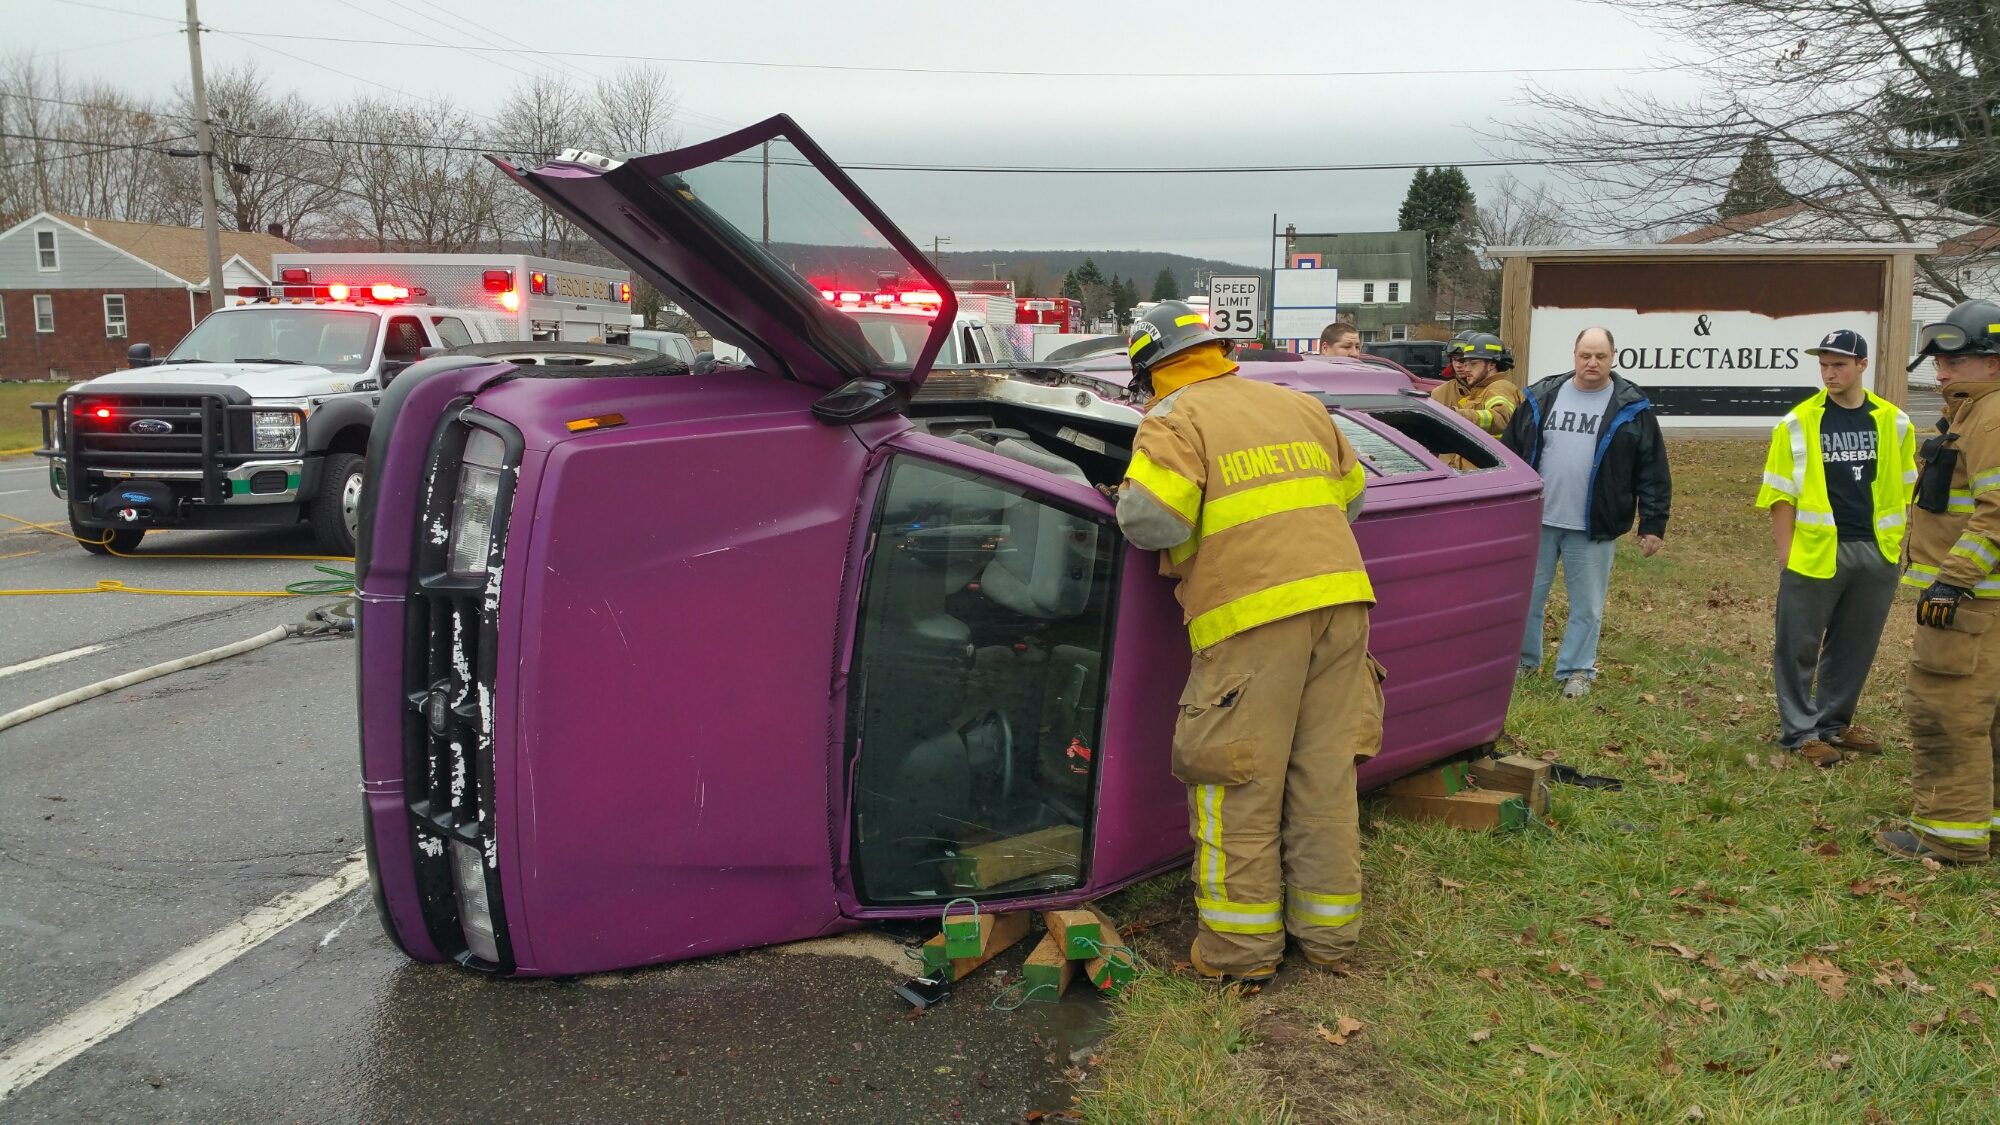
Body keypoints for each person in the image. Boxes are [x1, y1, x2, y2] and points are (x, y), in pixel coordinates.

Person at [1115, 300, 1379, 979]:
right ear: (1220, 350)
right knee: (1324, 775)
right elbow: (1353, 498)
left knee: (1235, 782)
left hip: (1252, 617)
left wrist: (1122, 488)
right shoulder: (1296, 404)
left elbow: (1151, 522)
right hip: (1343, 604)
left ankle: (1239, 952)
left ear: (1148, 373)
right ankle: (1328, 937)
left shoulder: (1174, 418)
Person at [1755, 329, 1918, 767]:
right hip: (1815, 552)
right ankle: (1799, 732)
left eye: (1839, 365)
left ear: (1862, 365)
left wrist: (1895, 546)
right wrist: (1787, 555)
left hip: (1875, 552)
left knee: (1854, 647)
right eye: (1824, 365)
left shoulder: (1895, 422)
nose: (1830, 373)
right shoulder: (1797, 422)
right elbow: (1780, 494)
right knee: (1797, 647)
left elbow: (1905, 487)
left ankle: (1834, 723)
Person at [1874, 299, 2000, 864]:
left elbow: (1996, 511)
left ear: (1993, 363)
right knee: (1989, 719)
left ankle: (1948, 836)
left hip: (1969, 604)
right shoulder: (1976, 414)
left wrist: (1952, 582)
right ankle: (1986, 826)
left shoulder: (1991, 417)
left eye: (1955, 361)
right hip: (1984, 605)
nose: (1941, 372)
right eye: (1938, 363)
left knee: (1946, 712)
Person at [1502, 326, 1671, 697]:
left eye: (1600, 356)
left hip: (1593, 525)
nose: (1592, 363)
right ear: (1575, 356)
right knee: (1526, 598)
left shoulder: (1632, 407)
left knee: (1587, 606)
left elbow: (1652, 468)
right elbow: (1509, 453)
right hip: (1537, 521)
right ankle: (1524, 662)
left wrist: (1653, 522)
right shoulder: (1541, 397)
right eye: (1585, 355)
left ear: (1613, 358)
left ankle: (1576, 671)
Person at [1430, 332, 1523, 469]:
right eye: (1465, 363)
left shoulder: (1500, 387)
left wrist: (1455, 415)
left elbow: (1501, 418)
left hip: (1488, 474)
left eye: (1473, 364)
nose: (1466, 369)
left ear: (1491, 364)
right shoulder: (1480, 391)